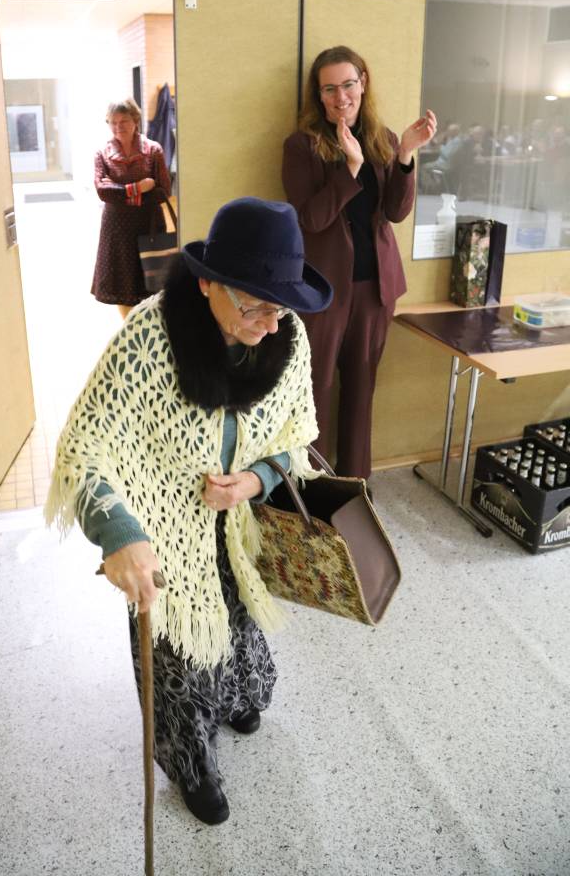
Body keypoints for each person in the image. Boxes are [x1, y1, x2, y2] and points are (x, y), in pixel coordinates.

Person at [45, 197, 332, 825]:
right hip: (163, 531)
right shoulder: (150, 337)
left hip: (238, 527)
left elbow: (296, 438)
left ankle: (236, 699)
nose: (267, 323)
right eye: (251, 304)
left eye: (277, 306)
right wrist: (118, 533)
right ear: (207, 283)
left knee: (236, 624)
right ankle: (192, 762)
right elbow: (83, 447)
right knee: (176, 655)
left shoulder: (286, 336)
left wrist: (253, 482)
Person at [282, 45, 437, 479]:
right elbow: (311, 219)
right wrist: (350, 168)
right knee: (314, 393)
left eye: (348, 84)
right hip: (322, 291)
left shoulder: (382, 139)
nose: (340, 96)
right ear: (319, 95)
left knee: (361, 392)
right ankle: (308, 488)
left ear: (363, 83)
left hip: (374, 290)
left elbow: (395, 212)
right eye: (329, 89)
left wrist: (405, 154)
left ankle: (353, 488)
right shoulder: (302, 146)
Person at [91, 97, 171, 318]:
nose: (118, 127)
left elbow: (164, 191)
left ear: (135, 120)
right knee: (122, 284)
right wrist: (139, 187)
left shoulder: (153, 150)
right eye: (112, 122)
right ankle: (128, 328)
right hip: (116, 229)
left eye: (124, 121)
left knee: (151, 281)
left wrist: (122, 193)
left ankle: (152, 327)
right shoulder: (102, 153)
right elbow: (103, 191)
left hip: (149, 224)